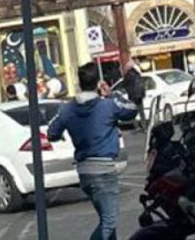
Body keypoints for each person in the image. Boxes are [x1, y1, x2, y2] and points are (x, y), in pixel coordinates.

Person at [47, 62, 138, 240]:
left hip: (84, 171)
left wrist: (63, 134)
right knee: (109, 221)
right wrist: (111, 94)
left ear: (79, 83)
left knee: (105, 219)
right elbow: (132, 109)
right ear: (98, 83)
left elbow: (51, 132)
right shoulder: (107, 106)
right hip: (104, 169)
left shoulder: (67, 109)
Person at [121, 60, 147, 132]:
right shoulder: (137, 73)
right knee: (141, 112)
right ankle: (144, 127)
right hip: (139, 95)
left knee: (132, 112)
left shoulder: (127, 75)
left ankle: (136, 126)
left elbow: (124, 84)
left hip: (132, 95)